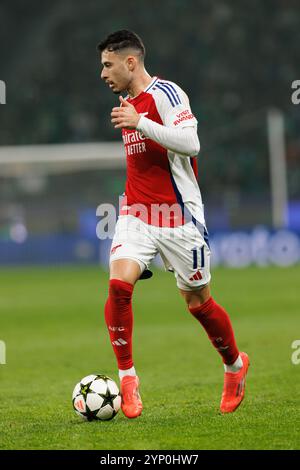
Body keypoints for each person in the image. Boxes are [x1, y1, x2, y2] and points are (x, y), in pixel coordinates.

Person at [98, 30, 250, 419]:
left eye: (107, 64)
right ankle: (128, 379)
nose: (103, 73)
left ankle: (234, 365)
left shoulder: (167, 94)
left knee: (198, 303)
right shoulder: (125, 103)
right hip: (136, 213)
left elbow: (191, 143)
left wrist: (141, 122)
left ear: (130, 62)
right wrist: (134, 118)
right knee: (118, 286)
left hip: (180, 217)